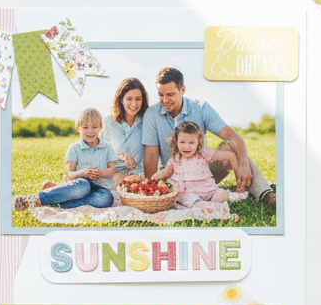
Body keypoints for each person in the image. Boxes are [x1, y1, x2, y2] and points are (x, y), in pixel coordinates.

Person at [141, 67, 276, 210]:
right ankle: (202, 202)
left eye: (170, 94)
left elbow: (233, 137)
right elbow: (151, 154)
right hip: (174, 179)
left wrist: (242, 163)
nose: (165, 100)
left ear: (182, 90)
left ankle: (266, 194)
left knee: (231, 147)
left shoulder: (200, 107)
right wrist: (151, 191)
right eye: (160, 95)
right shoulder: (152, 114)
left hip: (203, 174)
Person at [14, 108, 120, 211]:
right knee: (84, 186)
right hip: (80, 186)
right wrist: (82, 173)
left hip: (101, 188)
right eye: (85, 127)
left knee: (106, 198)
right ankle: (35, 200)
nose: (90, 131)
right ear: (78, 128)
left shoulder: (107, 146)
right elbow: (70, 175)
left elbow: (112, 171)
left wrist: (101, 173)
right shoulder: (74, 148)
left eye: (94, 127)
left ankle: (57, 204)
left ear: (100, 127)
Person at [151, 121, 238, 207]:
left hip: (208, 192)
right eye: (182, 142)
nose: (187, 146)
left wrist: (238, 176)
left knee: (222, 194)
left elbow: (230, 155)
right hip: (188, 194)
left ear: (198, 142)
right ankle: (207, 207)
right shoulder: (175, 160)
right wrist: (156, 176)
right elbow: (167, 171)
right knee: (191, 201)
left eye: (191, 142)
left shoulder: (203, 155)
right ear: (176, 142)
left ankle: (209, 206)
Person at [103, 77, 149, 176]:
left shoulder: (147, 122)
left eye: (138, 99)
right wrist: (120, 156)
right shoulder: (108, 123)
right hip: (112, 177)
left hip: (138, 177)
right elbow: (97, 151)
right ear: (121, 100)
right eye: (129, 99)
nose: (134, 104)